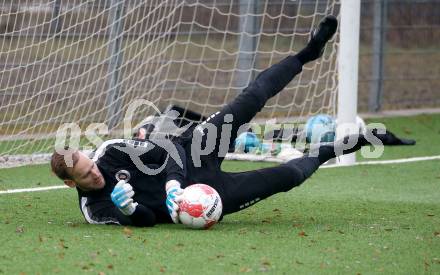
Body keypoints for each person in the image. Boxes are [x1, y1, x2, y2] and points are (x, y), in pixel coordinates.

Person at [51, 15, 382, 227]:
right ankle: (327, 152)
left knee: (252, 97)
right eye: (85, 173)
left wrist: (171, 184)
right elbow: (148, 220)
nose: (94, 169)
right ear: (71, 183)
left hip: (195, 150)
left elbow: (167, 151)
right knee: (285, 177)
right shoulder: (94, 208)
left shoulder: (109, 152)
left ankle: (307, 53)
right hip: (207, 193)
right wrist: (129, 210)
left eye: (88, 161)